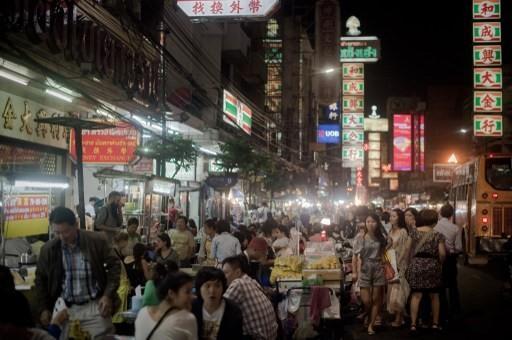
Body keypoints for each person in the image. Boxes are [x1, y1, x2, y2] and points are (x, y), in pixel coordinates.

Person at [35, 207, 121, 339]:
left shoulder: (96, 241)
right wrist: (43, 308)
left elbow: (114, 266)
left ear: (76, 225)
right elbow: (40, 279)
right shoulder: (48, 249)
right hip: (64, 310)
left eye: (66, 232)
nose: (62, 237)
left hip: (94, 307)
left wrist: (107, 295)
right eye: (57, 233)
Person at [406, 209, 446, 332]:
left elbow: (408, 249)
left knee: (416, 295)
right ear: (434, 221)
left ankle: (413, 324)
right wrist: (440, 263)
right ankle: (435, 323)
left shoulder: (414, 233)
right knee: (434, 295)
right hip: (432, 265)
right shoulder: (438, 235)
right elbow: (442, 253)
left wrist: (409, 263)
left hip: (416, 264)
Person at [222, 256, 278, 340]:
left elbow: (219, 309)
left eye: (226, 273)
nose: (223, 277)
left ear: (237, 272)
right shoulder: (252, 281)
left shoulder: (238, 283)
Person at [352, 214, 388, 335]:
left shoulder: (381, 237)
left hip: (378, 267)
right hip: (365, 268)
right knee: (366, 301)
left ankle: (371, 325)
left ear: (377, 223)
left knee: (376, 299)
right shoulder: (360, 237)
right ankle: (366, 314)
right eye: (368, 221)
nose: (370, 224)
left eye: (373, 222)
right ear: (365, 223)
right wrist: (354, 272)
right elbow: (355, 256)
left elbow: (385, 252)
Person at [135, 271, 197, 340]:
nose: (193, 296)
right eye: (187, 292)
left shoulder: (143, 313)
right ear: (171, 293)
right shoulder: (186, 319)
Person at [192, 267, 243, 340]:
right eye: (207, 286)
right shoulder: (191, 307)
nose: (212, 291)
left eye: (217, 286)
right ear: (199, 288)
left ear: (223, 288)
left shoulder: (233, 311)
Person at [435, 204, 462, 323]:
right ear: (452, 214)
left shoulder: (435, 227)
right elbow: (459, 248)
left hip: (437, 259)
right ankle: (455, 310)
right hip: (450, 260)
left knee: (439, 286)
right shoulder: (455, 228)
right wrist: (451, 250)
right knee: (452, 286)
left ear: (440, 213)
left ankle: (442, 311)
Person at [387, 209, 410, 327]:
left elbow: (405, 250)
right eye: (390, 216)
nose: (391, 218)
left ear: (399, 218)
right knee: (392, 290)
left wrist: (400, 264)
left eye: (394, 216)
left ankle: (399, 318)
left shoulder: (403, 231)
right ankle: (397, 316)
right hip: (390, 262)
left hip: (400, 264)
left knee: (399, 291)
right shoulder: (390, 230)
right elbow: (388, 247)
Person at [112, 233, 131, 324]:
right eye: (126, 241)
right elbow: (121, 268)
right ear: (122, 241)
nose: (127, 244)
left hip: (120, 281)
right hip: (120, 282)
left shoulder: (118, 251)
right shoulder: (115, 251)